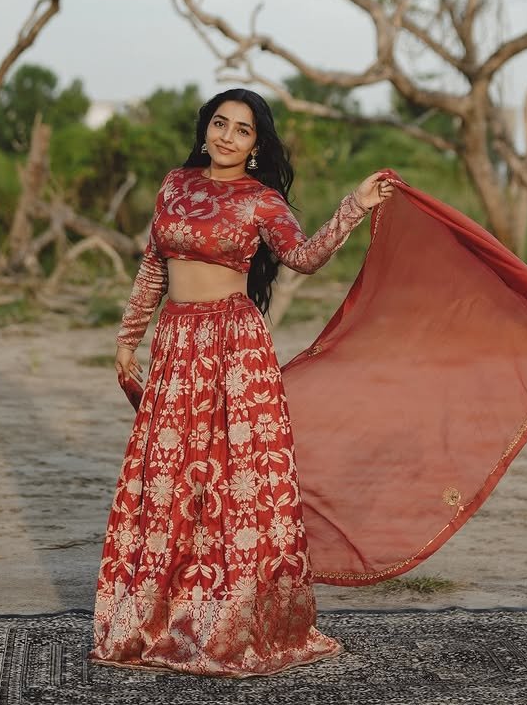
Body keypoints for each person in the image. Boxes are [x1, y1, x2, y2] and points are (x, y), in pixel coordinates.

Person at [91, 87, 392, 678]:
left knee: (238, 483)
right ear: (206, 128)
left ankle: (232, 623)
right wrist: (129, 338)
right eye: (220, 124)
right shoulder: (175, 184)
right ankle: (160, 621)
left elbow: (304, 257)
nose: (227, 136)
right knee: (171, 481)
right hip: (176, 345)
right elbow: (154, 264)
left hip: (235, 350)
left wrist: (353, 205)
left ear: (257, 145)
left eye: (243, 130)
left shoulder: (261, 201)